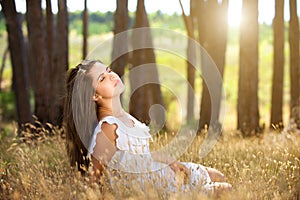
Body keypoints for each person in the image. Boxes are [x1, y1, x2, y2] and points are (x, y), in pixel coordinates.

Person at [64, 59, 232, 197]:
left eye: (108, 70)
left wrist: (169, 160)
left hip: (163, 174)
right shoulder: (107, 128)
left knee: (218, 176)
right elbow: (93, 182)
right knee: (224, 190)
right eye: (102, 78)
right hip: (158, 191)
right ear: (95, 95)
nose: (111, 76)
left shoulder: (125, 118)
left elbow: (139, 157)